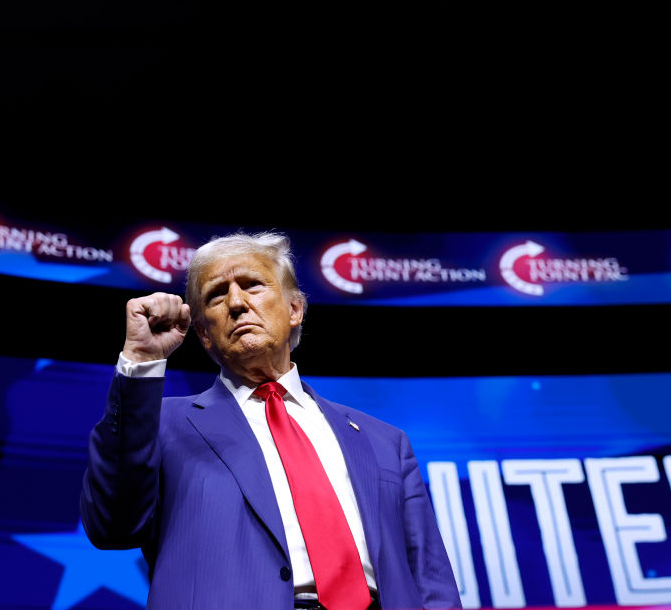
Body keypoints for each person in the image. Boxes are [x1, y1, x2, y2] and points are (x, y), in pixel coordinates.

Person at [80, 232, 460, 610]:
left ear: (295, 309)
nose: (236, 302)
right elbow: (113, 525)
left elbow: (431, 581)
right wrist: (142, 359)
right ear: (203, 333)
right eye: (216, 294)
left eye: (252, 285)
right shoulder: (163, 425)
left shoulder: (385, 442)